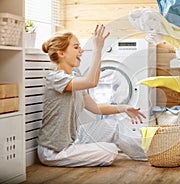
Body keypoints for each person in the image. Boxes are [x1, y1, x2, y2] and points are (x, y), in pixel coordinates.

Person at [37, 25, 147, 167]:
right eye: (76, 47)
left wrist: (124, 108)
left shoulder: (74, 78)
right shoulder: (56, 78)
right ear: (61, 53)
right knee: (110, 151)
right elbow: (91, 82)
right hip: (55, 150)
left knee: (113, 126)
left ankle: (152, 154)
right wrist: (98, 49)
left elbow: (95, 108)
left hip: (73, 138)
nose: (81, 50)